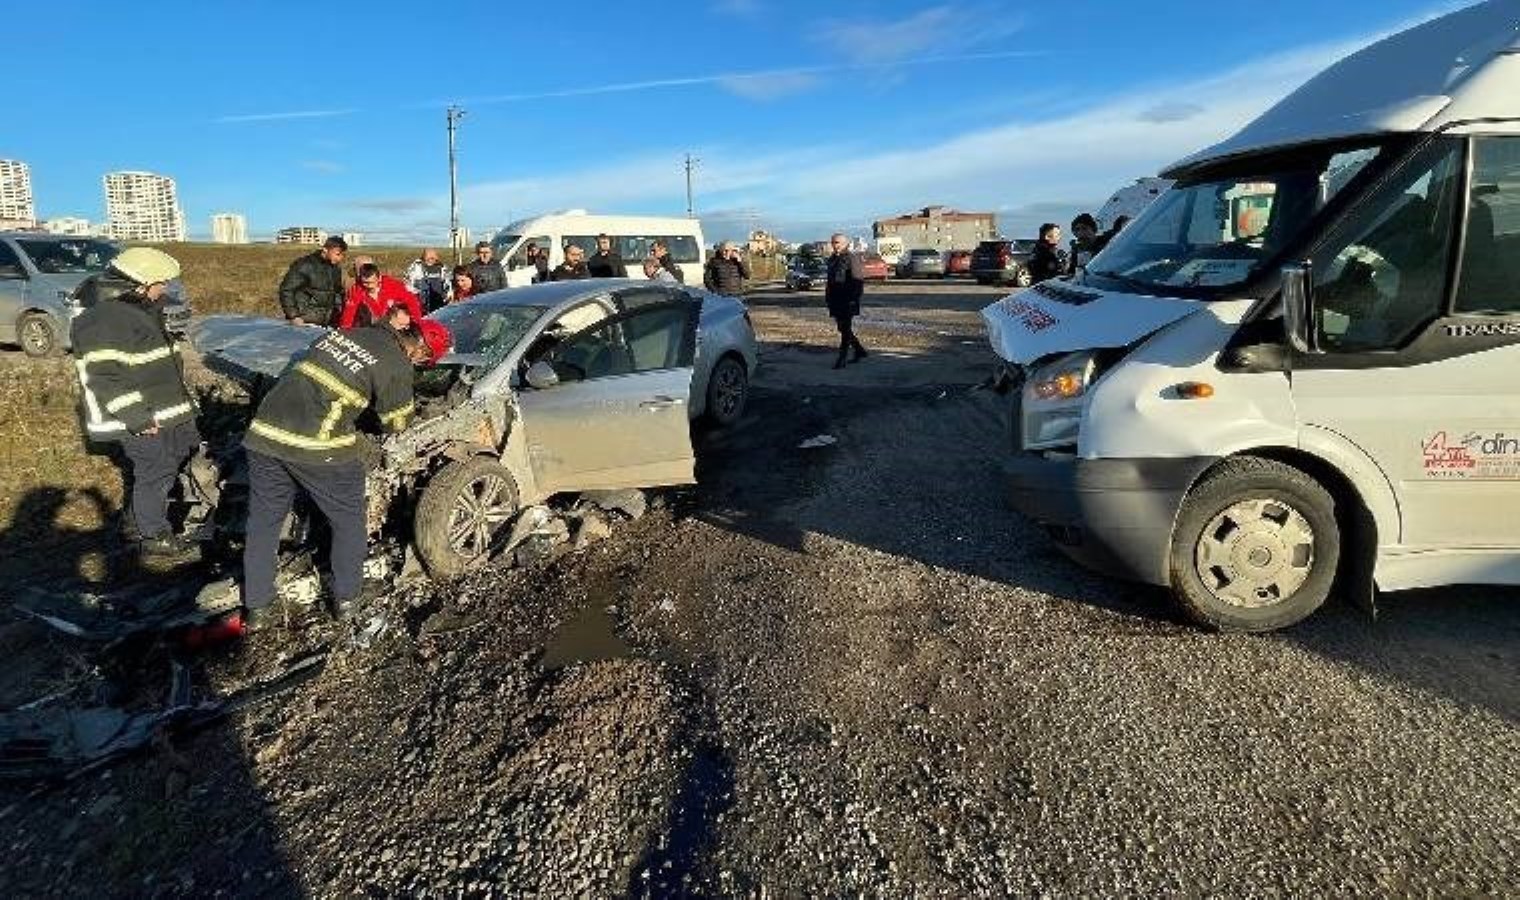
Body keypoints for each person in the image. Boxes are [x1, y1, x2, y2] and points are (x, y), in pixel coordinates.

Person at [240, 305, 434, 628]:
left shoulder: (346, 333)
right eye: (425, 361)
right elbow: (397, 424)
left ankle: (257, 609)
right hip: (318, 444)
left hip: (265, 432)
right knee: (348, 520)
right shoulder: (397, 363)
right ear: (420, 349)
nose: (420, 365)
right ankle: (347, 601)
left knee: (263, 522)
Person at [70, 247, 201, 557]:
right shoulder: (104, 319)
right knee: (154, 469)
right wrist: (137, 418)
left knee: (176, 453)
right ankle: (153, 535)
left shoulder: (136, 308)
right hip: (136, 415)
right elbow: (105, 376)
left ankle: (136, 522)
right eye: (160, 283)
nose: (164, 289)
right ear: (139, 284)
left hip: (162, 407)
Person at [278, 235, 347, 326]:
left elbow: (337, 292)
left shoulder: (335, 268)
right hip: (305, 321)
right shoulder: (304, 265)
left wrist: (340, 313)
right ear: (325, 250)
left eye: (342, 254)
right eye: (338, 254)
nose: (340, 258)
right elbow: (286, 290)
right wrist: (293, 316)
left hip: (328, 321)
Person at [824, 232, 868, 369]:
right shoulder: (832, 259)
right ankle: (860, 350)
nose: (835, 245)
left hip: (848, 300)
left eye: (837, 242)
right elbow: (830, 282)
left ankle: (842, 358)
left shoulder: (851, 258)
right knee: (842, 328)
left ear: (845, 243)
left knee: (845, 328)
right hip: (835, 300)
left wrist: (854, 299)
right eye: (833, 242)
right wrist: (828, 298)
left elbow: (858, 281)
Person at [337, 262, 425, 329]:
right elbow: (348, 313)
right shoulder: (356, 290)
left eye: (372, 282)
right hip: (371, 328)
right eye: (365, 283)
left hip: (394, 325)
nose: (369, 286)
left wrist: (416, 323)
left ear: (379, 278)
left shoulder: (393, 286)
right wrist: (345, 331)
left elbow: (412, 301)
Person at [405, 248, 451, 312]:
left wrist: (447, 299)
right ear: (423, 256)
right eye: (428, 256)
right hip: (420, 306)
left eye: (433, 256)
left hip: (439, 306)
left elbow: (448, 286)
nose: (431, 258)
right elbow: (409, 286)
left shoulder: (442, 268)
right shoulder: (416, 267)